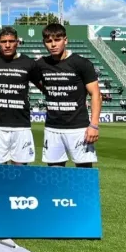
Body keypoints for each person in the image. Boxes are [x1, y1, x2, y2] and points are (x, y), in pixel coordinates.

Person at [36, 23, 101, 167]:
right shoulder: (41, 64)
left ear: (66, 40)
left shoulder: (81, 63)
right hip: (52, 128)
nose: (53, 44)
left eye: (57, 40)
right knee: (55, 175)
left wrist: (94, 125)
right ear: (44, 43)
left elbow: (96, 94)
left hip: (79, 129)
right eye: (48, 41)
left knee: (84, 174)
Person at [0, 27, 41, 165]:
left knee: (20, 171)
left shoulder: (29, 63)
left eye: (11, 41)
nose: (7, 45)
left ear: (17, 42)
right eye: (3, 42)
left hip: (21, 125)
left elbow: (43, 86)